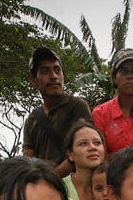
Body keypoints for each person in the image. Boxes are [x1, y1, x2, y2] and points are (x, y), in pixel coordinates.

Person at [22, 46, 92, 176]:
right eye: (45, 71)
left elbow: (84, 149)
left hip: (73, 184)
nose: (53, 76)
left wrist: (52, 178)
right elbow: (27, 160)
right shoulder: (32, 120)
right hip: (42, 185)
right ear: (33, 80)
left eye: (57, 70)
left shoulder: (76, 106)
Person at [62, 120, 106, 200]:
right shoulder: (59, 188)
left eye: (97, 143)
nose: (92, 147)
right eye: (83, 144)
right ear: (71, 155)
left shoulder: (117, 185)